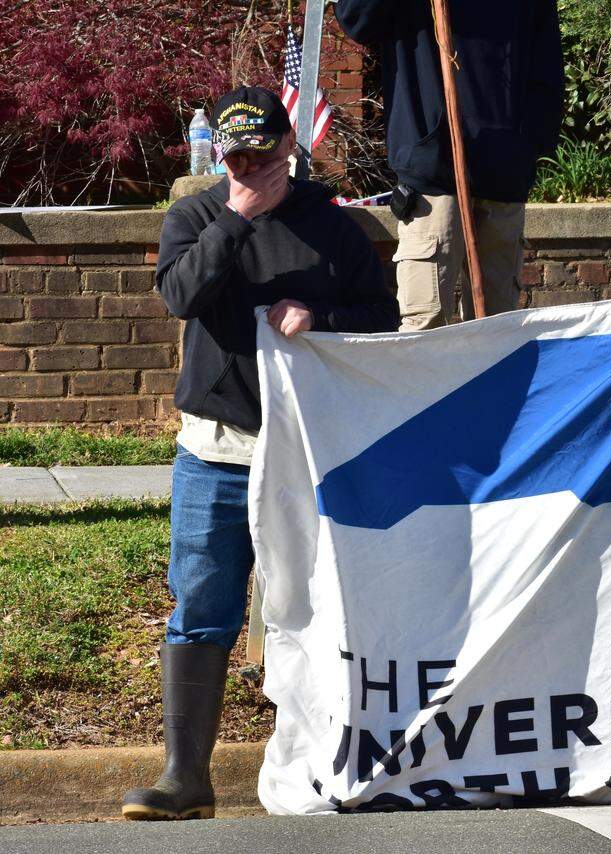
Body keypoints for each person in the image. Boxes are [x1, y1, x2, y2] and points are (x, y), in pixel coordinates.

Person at [121, 86, 399, 821]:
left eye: (262, 154)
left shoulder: (332, 225)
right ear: (221, 155)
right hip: (216, 448)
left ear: (289, 147)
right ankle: (186, 779)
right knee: (203, 605)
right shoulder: (197, 215)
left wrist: (323, 314)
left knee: (314, 609)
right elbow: (180, 294)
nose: (250, 168)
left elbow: (383, 320)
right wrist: (238, 218)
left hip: (307, 451)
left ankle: (320, 765)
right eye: (234, 156)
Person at [335, 0, 564, 330]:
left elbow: (547, 69)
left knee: (498, 331)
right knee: (424, 327)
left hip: (503, 176)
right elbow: (357, 20)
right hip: (433, 177)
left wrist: (524, 150)